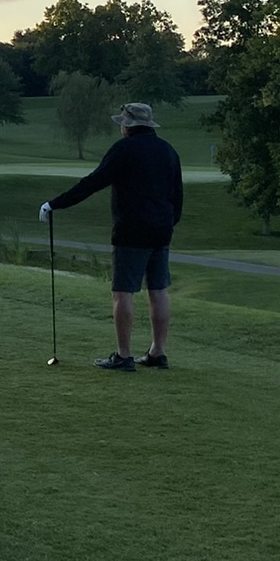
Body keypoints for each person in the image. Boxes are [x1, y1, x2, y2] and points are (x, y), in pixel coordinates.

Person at [38, 102, 182, 371]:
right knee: (158, 290)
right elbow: (177, 196)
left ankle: (124, 355)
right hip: (162, 230)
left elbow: (93, 182)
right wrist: (168, 223)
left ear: (127, 126)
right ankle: (157, 352)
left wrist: (55, 204)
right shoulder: (167, 150)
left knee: (123, 291)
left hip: (131, 231)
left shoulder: (124, 149)